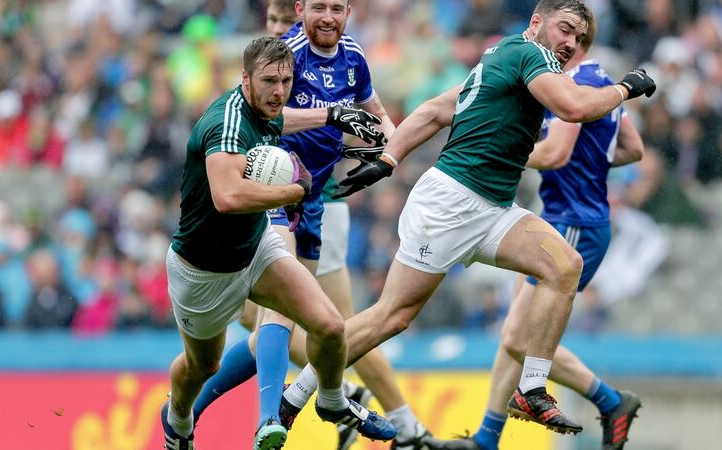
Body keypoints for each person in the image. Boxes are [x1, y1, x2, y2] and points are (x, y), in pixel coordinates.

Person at [286, 0, 656, 437]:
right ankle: (295, 396)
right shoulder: (529, 54)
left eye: (578, 36)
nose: (571, 42)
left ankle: (531, 389)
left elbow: (436, 110)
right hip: (451, 205)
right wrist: (626, 87)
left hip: (493, 208)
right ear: (536, 22)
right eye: (565, 29)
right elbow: (573, 108)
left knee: (563, 265)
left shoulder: (505, 57)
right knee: (391, 317)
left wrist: (388, 158)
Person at [191, 2, 431, 449]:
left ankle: (189, 410)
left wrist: (385, 153)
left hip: (313, 199)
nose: (327, 17)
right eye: (318, 6)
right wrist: (332, 116)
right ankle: (274, 416)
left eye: (336, 8)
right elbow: (262, 117)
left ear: (349, 11)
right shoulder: (287, 56)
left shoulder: (353, 56)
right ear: (301, 9)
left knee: (308, 324)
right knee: (286, 312)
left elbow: (378, 117)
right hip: (272, 191)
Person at [421, 15, 646, 450]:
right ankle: (487, 438)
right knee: (514, 336)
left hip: (574, 220)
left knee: (519, 338)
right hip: (569, 216)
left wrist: (500, 151)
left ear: (574, 41)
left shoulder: (576, 83)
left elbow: (557, 153)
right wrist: (592, 158)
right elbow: (631, 149)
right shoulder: (599, 81)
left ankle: (612, 401)